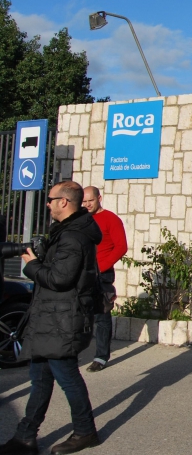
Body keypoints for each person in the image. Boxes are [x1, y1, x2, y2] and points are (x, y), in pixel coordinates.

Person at [2, 181, 101, 454]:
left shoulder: (73, 236)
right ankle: (25, 437)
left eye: (51, 199)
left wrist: (31, 264)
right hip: (52, 317)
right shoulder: (67, 232)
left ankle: (85, 431)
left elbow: (59, 279)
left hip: (62, 318)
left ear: (64, 202)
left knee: (67, 378)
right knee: (41, 379)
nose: (47, 203)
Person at [81, 186, 128, 373]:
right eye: (83, 202)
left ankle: (101, 356)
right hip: (82, 273)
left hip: (102, 275)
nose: (86, 205)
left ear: (99, 198)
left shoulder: (111, 219)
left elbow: (121, 247)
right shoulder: (82, 219)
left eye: (90, 201)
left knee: (101, 316)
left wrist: (101, 266)